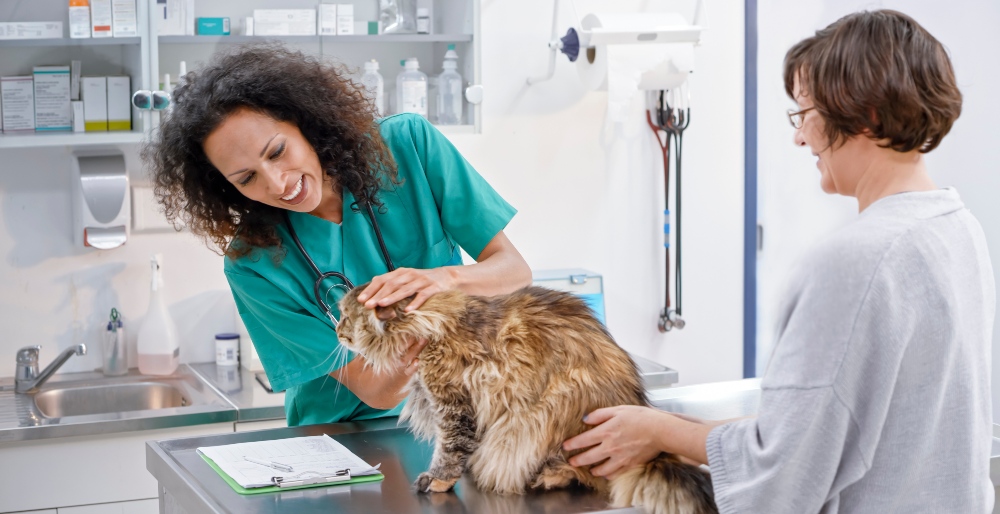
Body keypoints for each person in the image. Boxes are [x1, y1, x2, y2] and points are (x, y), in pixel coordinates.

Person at [563, 10, 995, 513]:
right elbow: (830, 435)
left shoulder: (853, 261)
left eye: (805, 113)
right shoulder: (956, 228)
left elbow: (783, 476)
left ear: (866, 114)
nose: (799, 137)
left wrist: (659, 428)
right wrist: (668, 430)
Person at [144, 45, 531, 426]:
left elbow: (513, 272)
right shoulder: (253, 263)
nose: (278, 184)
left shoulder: (408, 145)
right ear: (227, 188)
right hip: (344, 436)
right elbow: (377, 391)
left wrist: (443, 281)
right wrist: (424, 330)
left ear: (303, 123)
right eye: (247, 178)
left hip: (455, 413)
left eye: (277, 152)